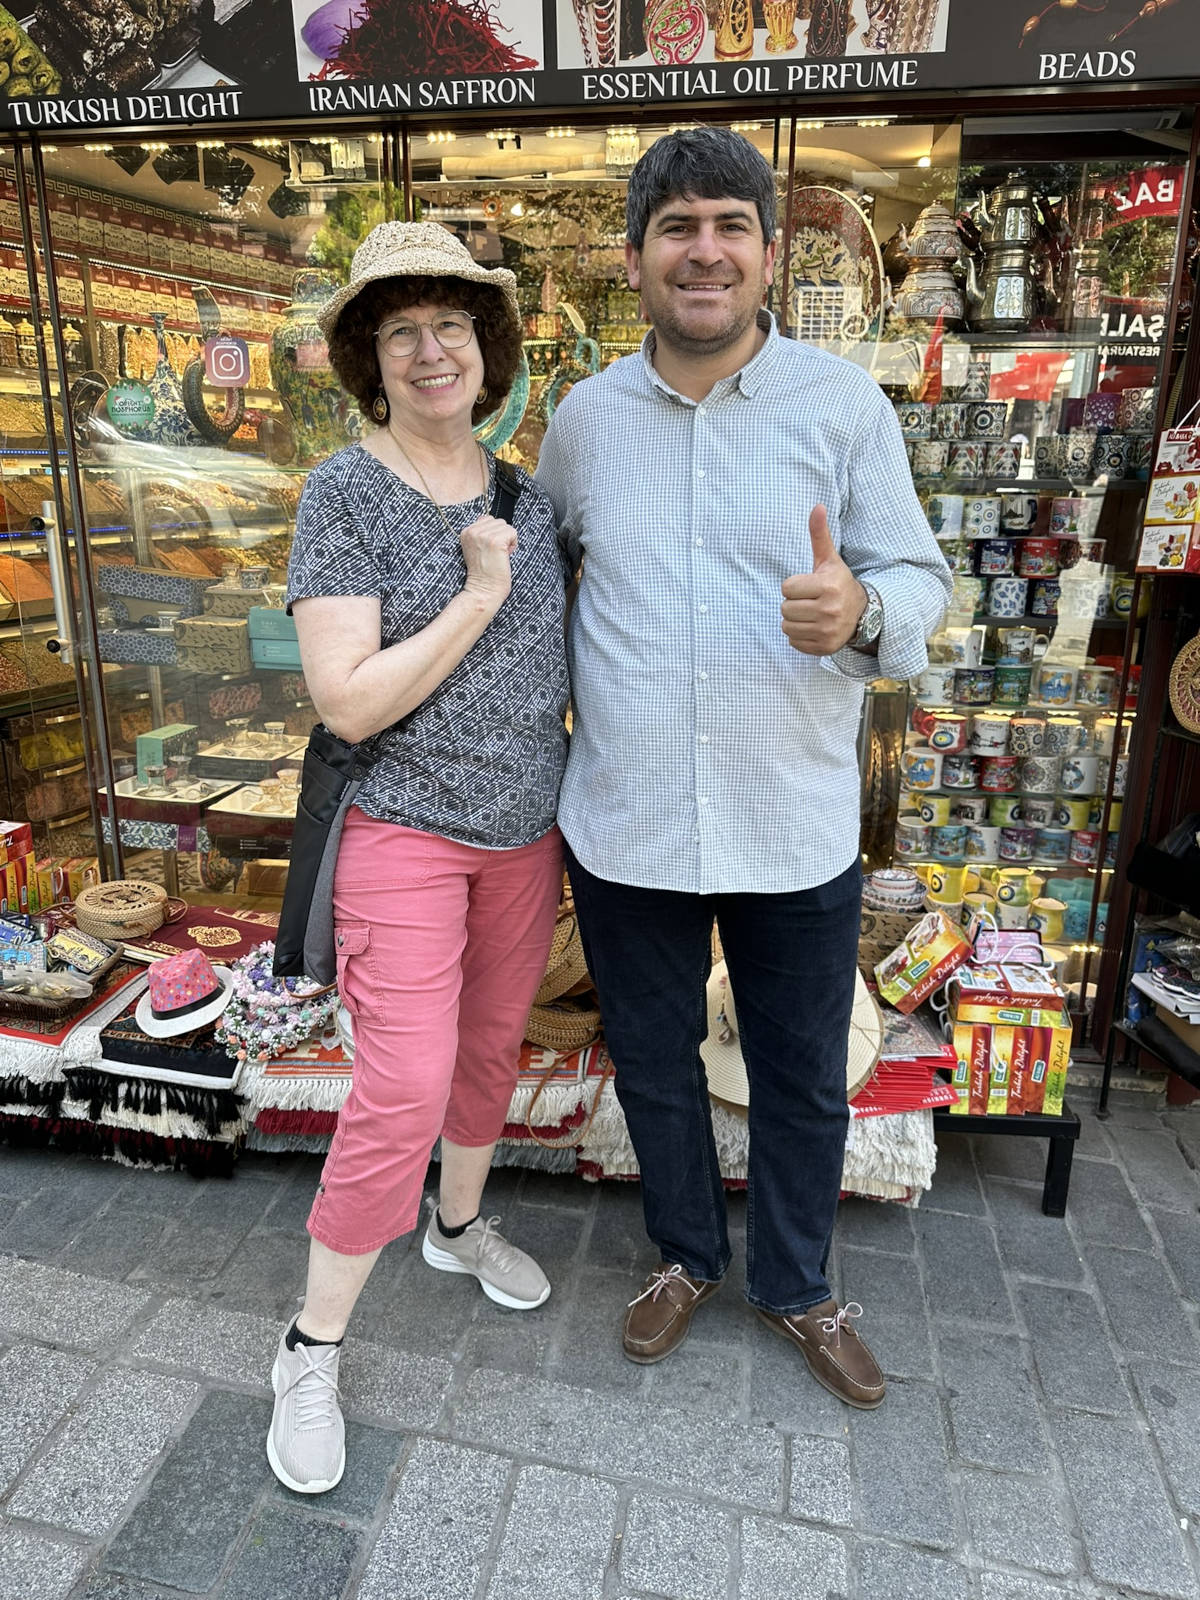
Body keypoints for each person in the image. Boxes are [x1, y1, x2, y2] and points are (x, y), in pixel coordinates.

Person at [536, 127, 952, 1411]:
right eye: (677, 228)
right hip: (628, 818)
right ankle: (685, 1255)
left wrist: (864, 611)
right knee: (654, 1062)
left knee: (801, 1073)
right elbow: (547, 589)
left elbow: (920, 578)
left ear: (770, 254)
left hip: (791, 817)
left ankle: (796, 1281)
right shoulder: (583, 424)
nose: (703, 251)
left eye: (730, 226)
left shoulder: (843, 407)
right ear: (635, 258)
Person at [268, 222, 569, 1493]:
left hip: (526, 835)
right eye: (402, 330)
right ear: (370, 359)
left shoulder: (531, 497)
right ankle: (309, 1344)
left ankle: (456, 1224)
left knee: (491, 1050)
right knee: (402, 1083)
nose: (432, 349)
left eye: (452, 323)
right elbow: (345, 701)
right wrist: (479, 595)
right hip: (402, 830)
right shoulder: (343, 493)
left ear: (487, 348)